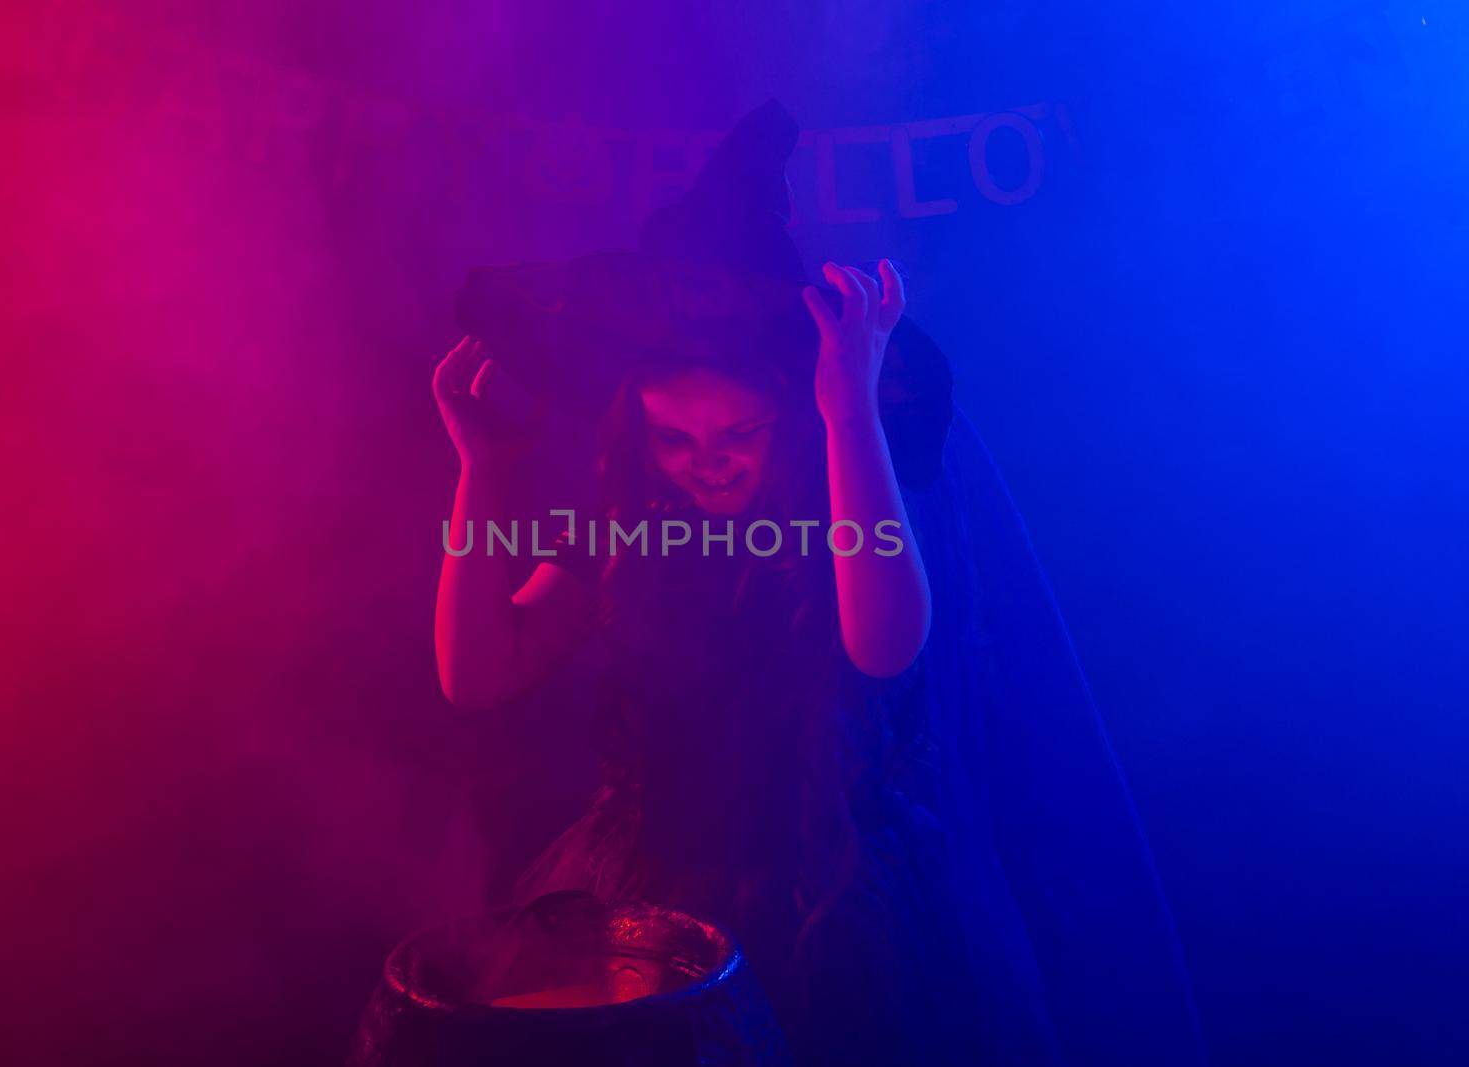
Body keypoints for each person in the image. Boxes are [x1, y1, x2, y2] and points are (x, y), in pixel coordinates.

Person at [432, 101, 1207, 1067]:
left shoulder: (853, 503)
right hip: (652, 898)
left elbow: (882, 645)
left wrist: (847, 406)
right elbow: (478, 672)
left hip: (834, 905)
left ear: (789, 425)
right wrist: (483, 470)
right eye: (673, 441)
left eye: (737, 436)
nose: (703, 464)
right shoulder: (625, 529)